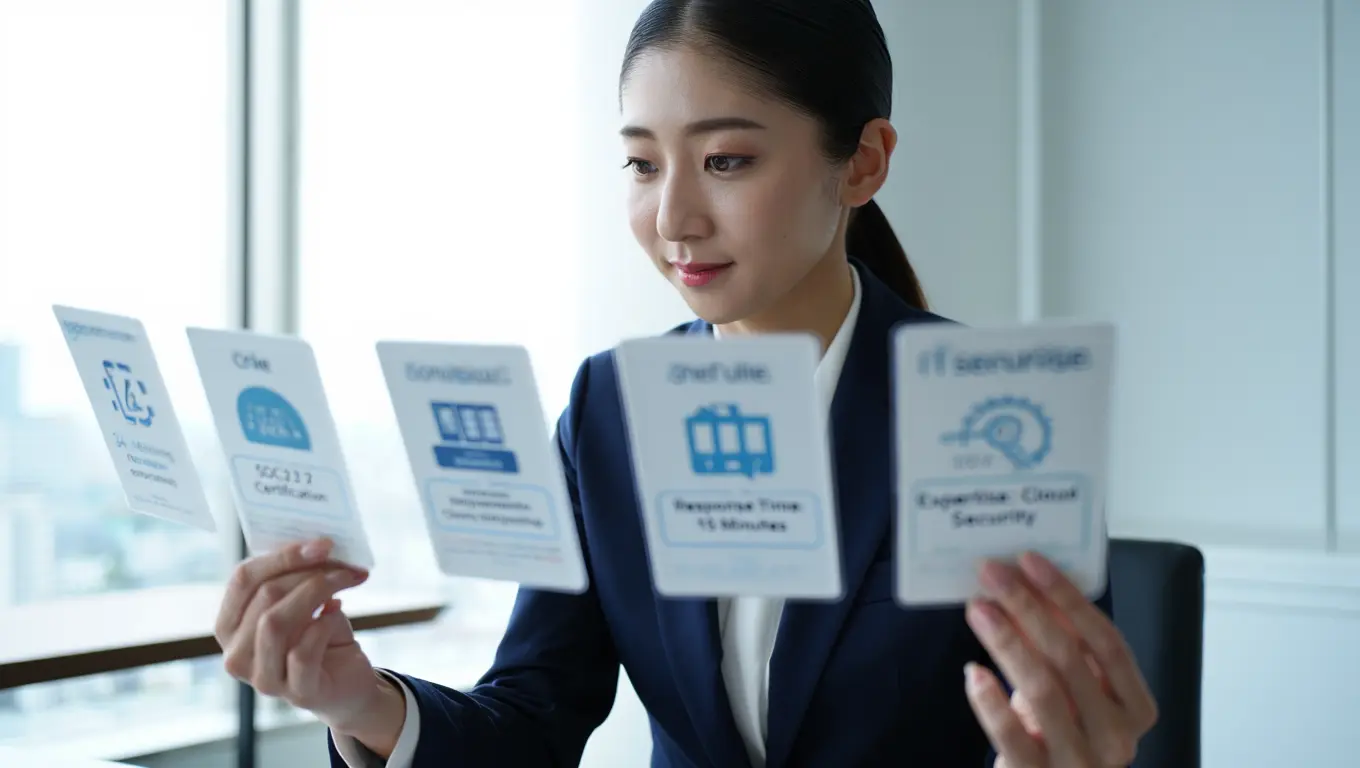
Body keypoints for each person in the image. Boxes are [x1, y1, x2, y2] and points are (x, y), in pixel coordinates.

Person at [212, 1, 1159, 766]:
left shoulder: (987, 413)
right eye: (642, 162)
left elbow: (1058, 725)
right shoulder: (610, 414)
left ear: (862, 163)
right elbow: (535, 720)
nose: (673, 217)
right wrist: (362, 702)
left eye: (726, 161)